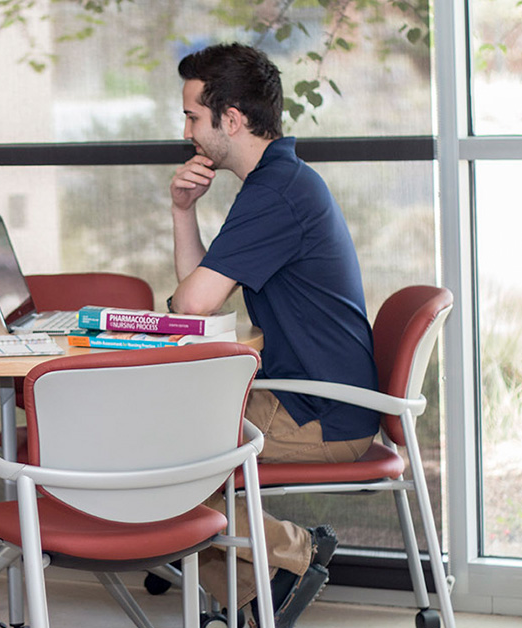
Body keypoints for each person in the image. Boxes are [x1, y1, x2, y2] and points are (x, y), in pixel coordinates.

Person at [167, 42, 381, 628]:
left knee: (157, 455)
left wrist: (184, 217)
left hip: (319, 413)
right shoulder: (277, 183)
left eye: (192, 115)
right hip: (308, 395)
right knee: (160, 441)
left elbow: (192, 303)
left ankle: (291, 552)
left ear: (229, 119)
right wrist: (184, 211)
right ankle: (266, 588)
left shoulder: (277, 192)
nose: (186, 129)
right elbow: (199, 305)